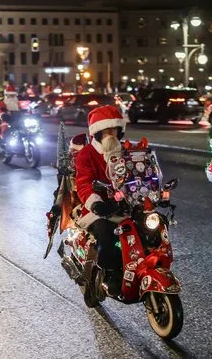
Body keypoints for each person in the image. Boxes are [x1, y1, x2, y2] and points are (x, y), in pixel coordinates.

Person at [74, 105, 127, 294]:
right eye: (105, 131)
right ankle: (111, 273)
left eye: (113, 130)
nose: (110, 135)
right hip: (100, 209)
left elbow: (141, 172)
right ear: (97, 133)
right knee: (106, 232)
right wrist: (96, 203)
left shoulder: (126, 151)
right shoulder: (86, 154)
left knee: (152, 225)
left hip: (126, 204)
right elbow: (83, 183)